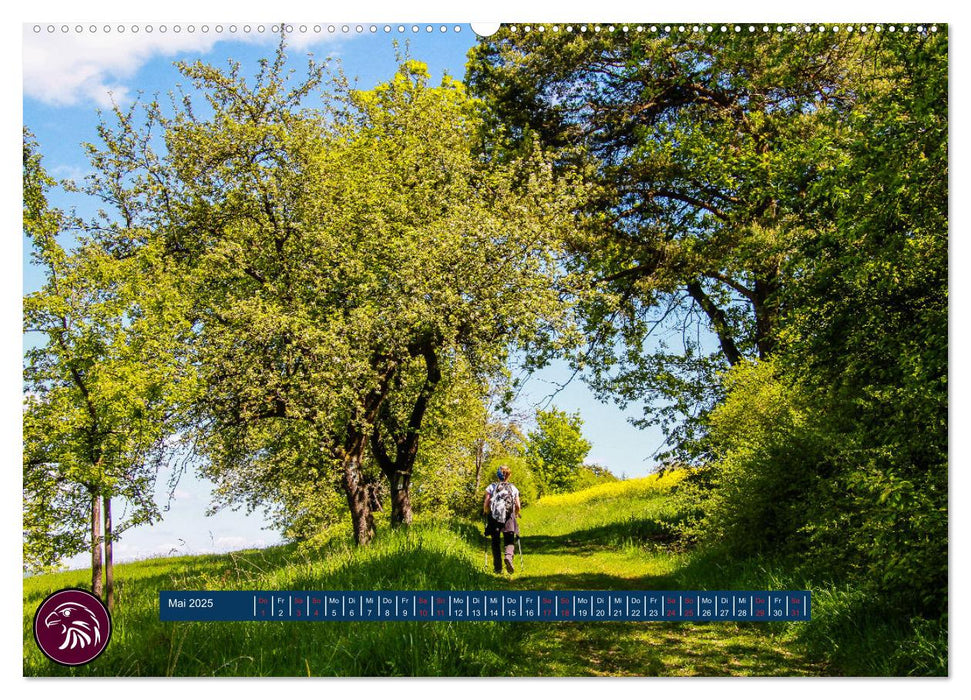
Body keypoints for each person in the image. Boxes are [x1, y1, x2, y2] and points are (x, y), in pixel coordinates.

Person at [483, 464, 521, 574]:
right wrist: (517, 513)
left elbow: (486, 503)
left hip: (494, 518)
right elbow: (518, 505)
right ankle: (508, 557)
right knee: (509, 540)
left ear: (498, 475)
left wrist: (486, 511)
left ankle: (498, 568)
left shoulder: (491, 487)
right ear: (509, 475)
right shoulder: (513, 488)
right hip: (509, 517)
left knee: (495, 542)